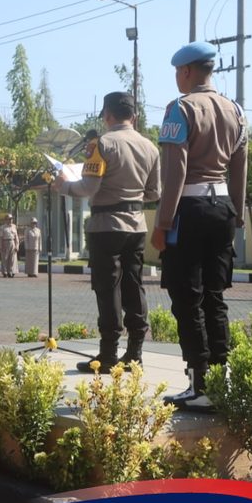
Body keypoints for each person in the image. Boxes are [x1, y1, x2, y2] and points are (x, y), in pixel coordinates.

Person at [150, 43, 248, 411]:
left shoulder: (181, 108)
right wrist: (236, 212)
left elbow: (175, 172)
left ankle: (199, 383)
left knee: (186, 297)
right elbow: (240, 168)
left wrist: (162, 223)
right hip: (222, 207)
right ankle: (222, 381)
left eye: (178, 72)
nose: (177, 78)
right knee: (215, 296)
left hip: (187, 209)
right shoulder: (236, 111)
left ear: (187, 71)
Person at [56, 91, 160, 374]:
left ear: (107, 116)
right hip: (137, 225)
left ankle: (108, 355)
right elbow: (154, 191)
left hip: (106, 226)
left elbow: (88, 188)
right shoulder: (150, 147)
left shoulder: (101, 144)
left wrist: (64, 185)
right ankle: (135, 353)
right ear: (134, 117)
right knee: (133, 285)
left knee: (107, 288)